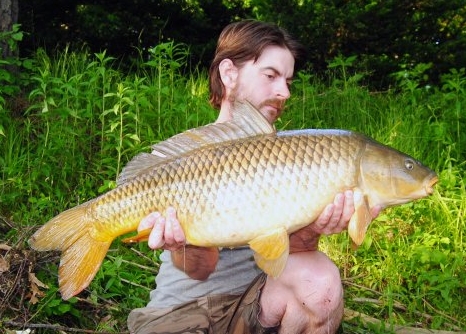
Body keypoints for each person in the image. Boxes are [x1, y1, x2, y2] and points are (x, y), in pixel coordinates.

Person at [128, 20, 380, 334]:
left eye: (288, 80)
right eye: (271, 76)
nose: (284, 92)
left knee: (319, 281)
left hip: (258, 303)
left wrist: (315, 229)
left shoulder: (299, 155)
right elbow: (200, 270)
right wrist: (185, 244)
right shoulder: (188, 156)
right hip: (181, 310)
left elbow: (289, 254)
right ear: (229, 73)